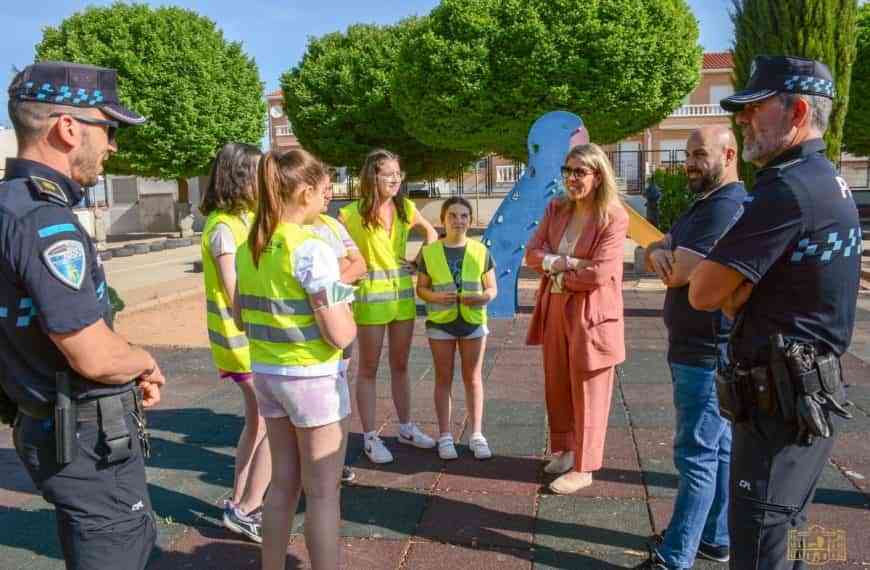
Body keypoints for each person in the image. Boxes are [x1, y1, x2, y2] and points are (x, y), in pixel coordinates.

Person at [690, 55, 859, 570]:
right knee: (795, 527)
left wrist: (736, 291)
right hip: (809, 400)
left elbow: (702, 291)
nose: (744, 120)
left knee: (759, 544)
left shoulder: (786, 189)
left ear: (798, 110)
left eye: (755, 108)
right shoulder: (826, 178)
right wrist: (738, 288)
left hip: (778, 406)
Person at [0, 61, 165, 569]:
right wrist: (143, 361)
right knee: (118, 546)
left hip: (45, 423)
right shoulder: (46, 223)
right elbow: (91, 354)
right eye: (108, 128)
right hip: (86, 440)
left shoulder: (10, 205)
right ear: (67, 127)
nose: (112, 144)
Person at [235, 149, 357, 570]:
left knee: (282, 484)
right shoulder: (310, 247)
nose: (330, 197)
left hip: (267, 374)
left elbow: (241, 314)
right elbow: (340, 332)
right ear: (305, 192)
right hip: (312, 378)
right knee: (323, 493)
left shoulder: (250, 245)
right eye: (325, 190)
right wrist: (346, 304)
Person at [637, 126, 746, 569]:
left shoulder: (727, 207)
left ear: (729, 153)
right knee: (718, 450)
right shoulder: (704, 205)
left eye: (700, 154)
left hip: (706, 351)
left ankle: (674, 557)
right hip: (700, 348)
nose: (690, 163)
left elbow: (676, 271)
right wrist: (658, 250)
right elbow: (660, 246)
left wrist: (664, 254)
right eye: (688, 155)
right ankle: (716, 538)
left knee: (696, 455)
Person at [525, 143, 629, 494]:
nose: (571, 178)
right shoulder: (556, 208)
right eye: (567, 171)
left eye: (579, 172)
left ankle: (585, 466)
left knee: (589, 387)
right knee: (557, 382)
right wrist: (568, 264)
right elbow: (532, 254)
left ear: (598, 176)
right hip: (555, 306)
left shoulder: (613, 216)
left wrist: (556, 268)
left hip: (592, 315)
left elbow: (599, 274)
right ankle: (567, 450)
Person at [338, 149, 438, 464]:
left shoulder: (405, 207)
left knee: (401, 366)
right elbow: (336, 251)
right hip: (369, 301)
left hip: (402, 299)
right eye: (389, 174)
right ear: (372, 176)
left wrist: (418, 262)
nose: (396, 179)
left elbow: (432, 232)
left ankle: (406, 427)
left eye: (398, 173)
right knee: (367, 369)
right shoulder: (350, 214)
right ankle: (369, 436)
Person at [200, 142, 271, 542]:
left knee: (257, 422)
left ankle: (240, 500)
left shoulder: (242, 220)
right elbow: (234, 292)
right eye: (258, 173)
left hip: (246, 339)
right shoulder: (225, 228)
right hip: (241, 339)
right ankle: (246, 506)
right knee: (266, 422)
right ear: (240, 176)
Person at [416, 197, 497, 460]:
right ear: (442, 220)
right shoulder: (429, 252)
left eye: (464, 216)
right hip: (441, 324)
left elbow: (492, 288)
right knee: (443, 378)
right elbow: (422, 288)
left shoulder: (481, 251)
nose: (458, 221)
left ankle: (476, 434)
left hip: (472, 322)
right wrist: (436, 298)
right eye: (452, 215)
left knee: (473, 378)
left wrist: (484, 297)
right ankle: (445, 435)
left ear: (470, 222)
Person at [309, 179, 367, 483]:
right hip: (304, 336)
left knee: (337, 393)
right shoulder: (290, 231)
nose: (329, 194)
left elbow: (359, 264)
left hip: (336, 317)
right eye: (323, 188)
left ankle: (335, 459)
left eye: (331, 187)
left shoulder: (332, 225)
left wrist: (325, 289)